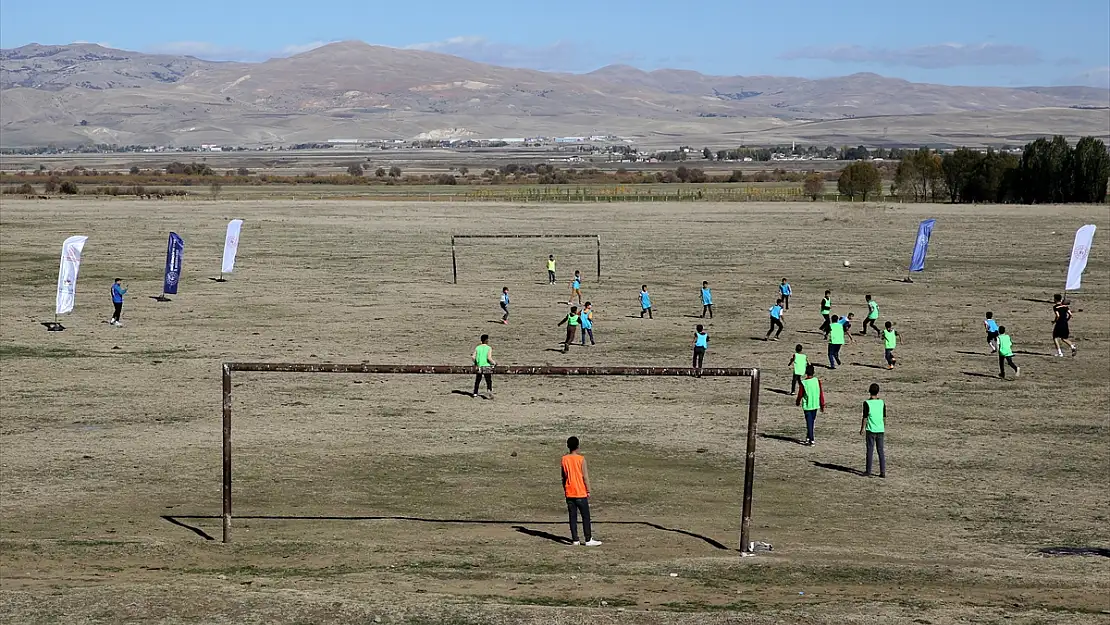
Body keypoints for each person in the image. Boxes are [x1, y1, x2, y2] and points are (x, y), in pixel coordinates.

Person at [562, 436, 602, 546]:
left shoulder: (564, 459)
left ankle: (575, 539)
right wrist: (588, 490)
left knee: (572, 517)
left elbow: (563, 477)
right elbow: (585, 476)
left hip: (569, 492)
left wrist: (565, 488)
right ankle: (588, 539)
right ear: (578, 446)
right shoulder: (581, 459)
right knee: (585, 516)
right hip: (580, 491)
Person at [795, 364, 825, 446]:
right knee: (811, 422)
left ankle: (811, 439)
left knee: (809, 422)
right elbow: (821, 393)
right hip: (815, 404)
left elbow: (800, 394)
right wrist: (822, 404)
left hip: (807, 405)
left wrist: (797, 402)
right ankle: (808, 437)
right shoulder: (817, 381)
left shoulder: (804, 383)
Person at [860, 383, 886, 478]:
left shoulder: (867, 403)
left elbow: (865, 417)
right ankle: (882, 471)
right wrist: (883, 426)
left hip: (871, 430)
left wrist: (862, 428)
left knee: (870, 450)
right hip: (880, 429)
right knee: (881, 451)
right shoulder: (881, 402)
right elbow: (884, 417)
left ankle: (868, 471)